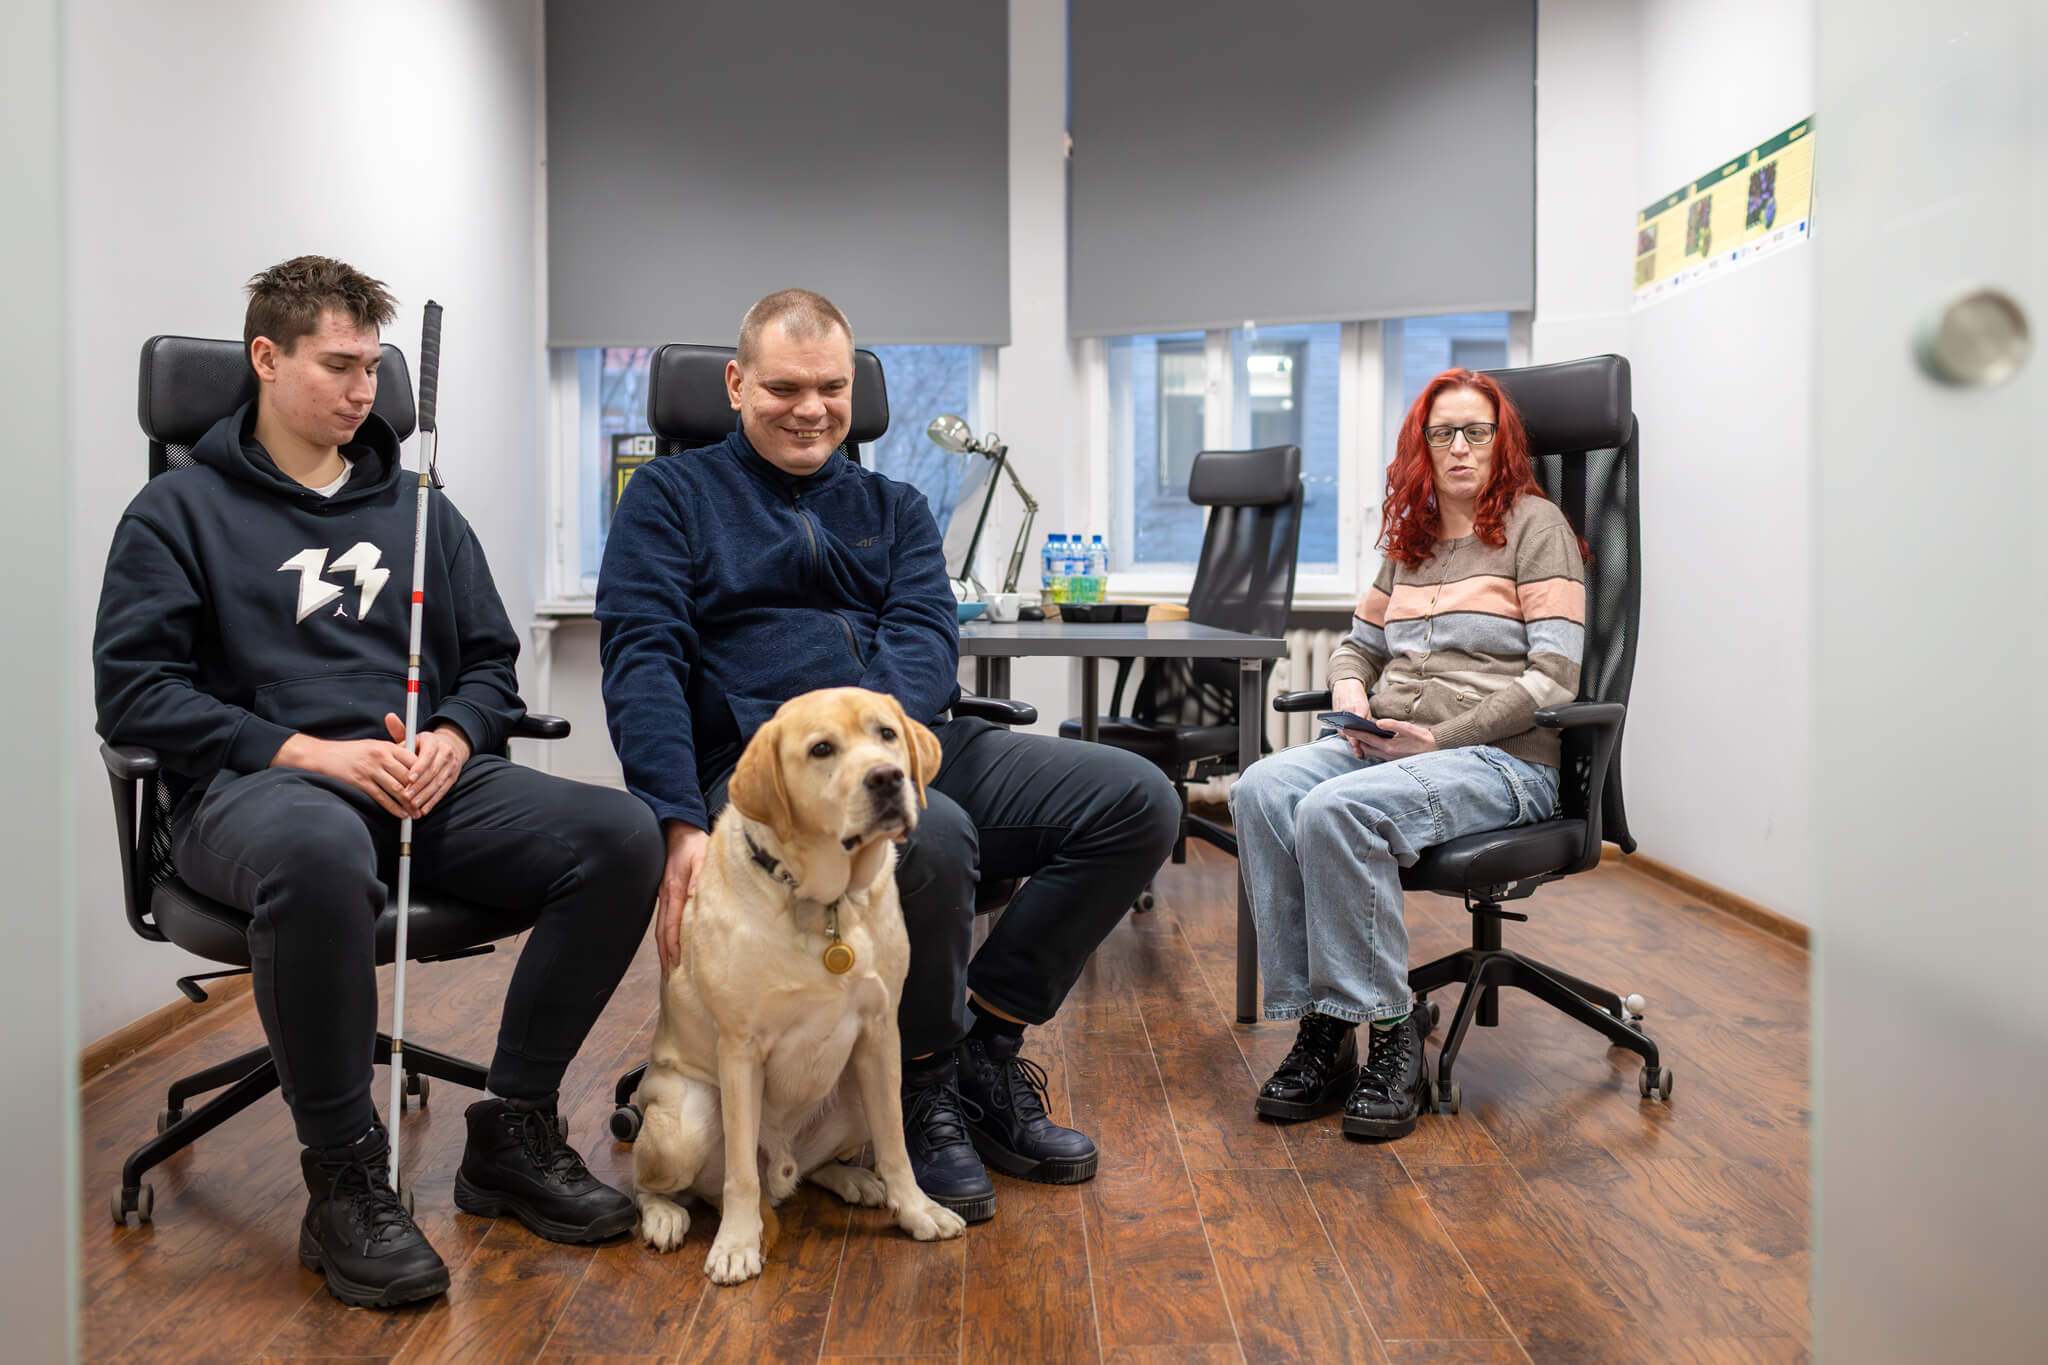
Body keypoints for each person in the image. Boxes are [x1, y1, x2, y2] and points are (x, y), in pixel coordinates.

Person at [92, 256, 663, 1308]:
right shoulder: (176, 512)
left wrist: (456, 730)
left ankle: (514, 1129)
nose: (363, 391)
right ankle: (346, 1179)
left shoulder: (420, 510)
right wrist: (307, 752)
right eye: (338, 366)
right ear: (266, 358)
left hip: (417, 783)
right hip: (253, 792)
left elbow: (490, 665)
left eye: (373, 368)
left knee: (620, 834)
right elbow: (135, 699)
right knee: (319, 852)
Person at [596, 288, 1180, 1223]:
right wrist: (676, 819)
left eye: (831, 388)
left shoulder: (894, 507)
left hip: (899, 744)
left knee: (1138, 799)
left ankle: (986, 1045)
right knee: (932, 839)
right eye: (784, 388)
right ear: (736, 385)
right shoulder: (669, 499)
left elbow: (923, 637)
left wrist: (878, 755)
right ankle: (923, 1086)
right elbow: (643, 660)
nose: (811, 408)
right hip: (768, 774)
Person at [1229, 368, 1586, 1140]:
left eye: (1477, 432)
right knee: (1260, 788)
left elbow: (1555, 676)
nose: (1459, 447)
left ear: (1501, 442)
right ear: (1422, 445)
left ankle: (1394, 1036)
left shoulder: (1538, 527)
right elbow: (1357, 648)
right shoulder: (1409, 541)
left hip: (1501, 760)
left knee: (1335, 807)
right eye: (1442, 432)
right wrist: (1351, 695)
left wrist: (1440, 737)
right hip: (1392, 747)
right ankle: (1327, 1029)